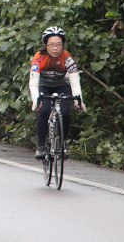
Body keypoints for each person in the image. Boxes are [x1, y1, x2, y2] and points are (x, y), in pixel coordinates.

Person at [29, 26, 86, 160]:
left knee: (65, 112)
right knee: (44, 110)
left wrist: (79, 101)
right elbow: (33, 82)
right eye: (52, 45)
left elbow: (74, 81)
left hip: (62, 85)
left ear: (63, 46)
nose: (55, 48)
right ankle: (41, 147)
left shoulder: (67, 58)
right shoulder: (39, 58)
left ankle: (62, 142)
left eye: (58, 45)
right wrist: (36, 100)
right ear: (45, 45)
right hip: (43, 85)